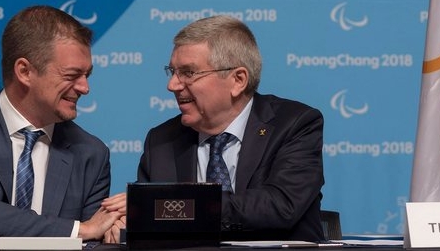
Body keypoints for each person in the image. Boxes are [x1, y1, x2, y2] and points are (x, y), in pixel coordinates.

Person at [0, 5, 123, 240]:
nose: (85, 88)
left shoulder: (91, 154)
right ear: (25, 71)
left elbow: (93, 240)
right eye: (71, 76)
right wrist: (81, 229)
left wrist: (112, 228)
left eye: (87, 75)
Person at [136, 15, 325, 241]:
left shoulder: (294, 124)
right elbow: (147, 221)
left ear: (238, 80)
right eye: (172, 72)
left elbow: (281, 205)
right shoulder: (161, 141)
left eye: (188, 73)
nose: (172, 85)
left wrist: (188, 204)